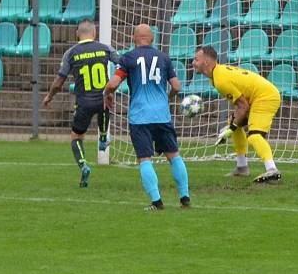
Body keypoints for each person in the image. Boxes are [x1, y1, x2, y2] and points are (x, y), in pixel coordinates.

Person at [103, 24, 190, 210]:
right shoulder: (164, 58)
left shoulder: (128, 58)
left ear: (134, 39)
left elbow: (113, 83)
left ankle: (157, 202)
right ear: (152, 39)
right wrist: (167, 98)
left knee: (144, 159)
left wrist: (107, 94)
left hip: (140, 116)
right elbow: (176, 86)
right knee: (174, 155)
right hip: (162, 115)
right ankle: (184, 197)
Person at [43, 19, 119, 188]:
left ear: (78, 33)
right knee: (105, 107)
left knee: (76, 137)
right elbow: (121, 64)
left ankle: (83, 165)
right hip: (103, 100)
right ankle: (103, 138)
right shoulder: (105, 48)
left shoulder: (71, 53)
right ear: (94, 32)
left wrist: (49, 96)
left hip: (83, 102)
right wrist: (112, 89)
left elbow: (58, 82)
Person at [192, 45, 282, 183]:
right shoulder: (216, 75)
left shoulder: (220, 79)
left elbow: (243, 106)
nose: (193, 63)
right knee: (233, 122)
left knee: (254, 136)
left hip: (265, 97)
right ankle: (242, 167)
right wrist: (232, 126)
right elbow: (242, 105)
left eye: (196, 60)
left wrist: (230, 130)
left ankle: (272, 169)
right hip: (256, 97)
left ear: (206, 62)